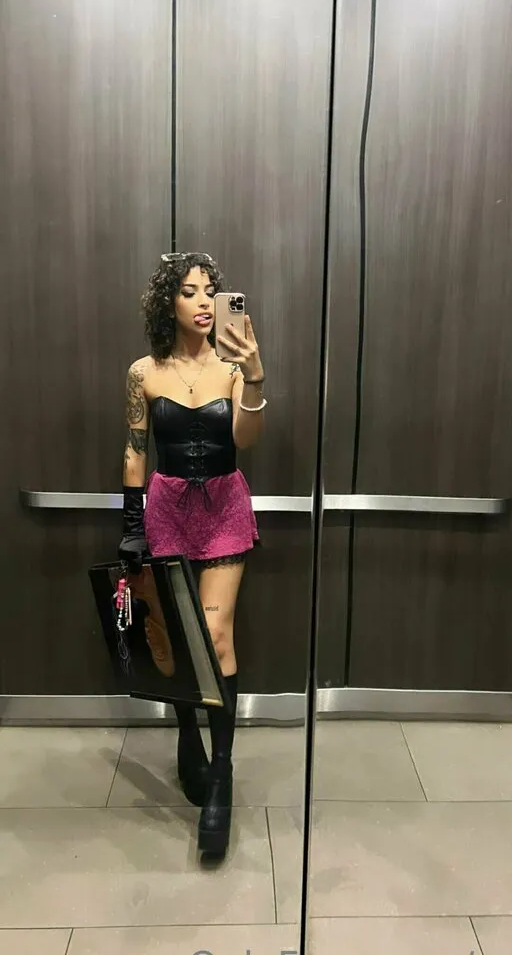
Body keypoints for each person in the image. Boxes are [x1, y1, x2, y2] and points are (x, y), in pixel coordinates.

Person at [118, 251, 265, 856]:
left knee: (217, 634)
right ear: (168, 303)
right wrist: (132, 524)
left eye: (211, 291)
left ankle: (221, 776)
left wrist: (255, 376)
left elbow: (245, 439)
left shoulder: (233, 367)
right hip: (167, 509)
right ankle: (187, 739)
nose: (204, 302)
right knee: (179, 637)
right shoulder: (143, 372)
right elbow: (135, 450)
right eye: (189, 292)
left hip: (225, 505)